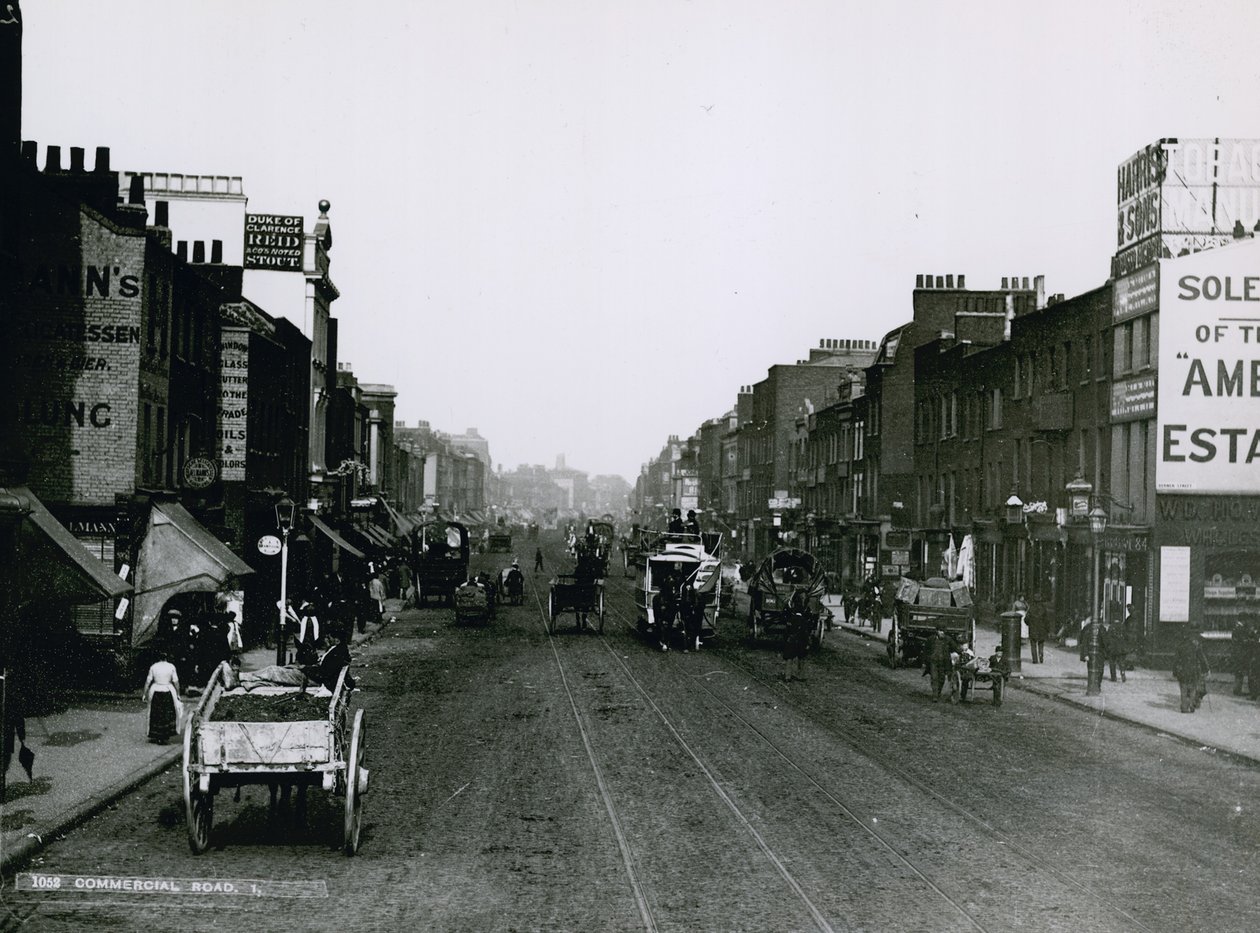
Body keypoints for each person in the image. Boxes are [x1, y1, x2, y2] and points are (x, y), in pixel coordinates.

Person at [142, 651, 182, 744]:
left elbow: (148, 681)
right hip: (167, 691)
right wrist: (178, 693)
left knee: (156, 713)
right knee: (166, 714)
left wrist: (145, 693)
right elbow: (176, 681)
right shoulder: (171, 666)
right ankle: (165, 735)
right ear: (166, 658)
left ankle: (157, 735)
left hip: (156, 691)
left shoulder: (153, 667)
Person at [1172, 627, 1210, 713]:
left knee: (1184, 689)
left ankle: (1184, 707)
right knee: (1193, 688)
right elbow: (1202, 658)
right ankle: (1191, 706)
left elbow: (1176, 660)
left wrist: (1174, 671)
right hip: (1194, 670)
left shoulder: (1181, 645)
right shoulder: (1197, 646)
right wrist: (1206, 669)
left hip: (1183, 670)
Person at [781, 589, 813, 680]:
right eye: (801, 598)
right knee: (792, 655)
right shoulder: (792, 607)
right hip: (794, 632)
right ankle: (789, 675)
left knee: (800, 655)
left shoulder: (802, 608)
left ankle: (795, 675)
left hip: (800, 633)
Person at [925, 627, 959, 703]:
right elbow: (926, 650)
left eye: (943, 631)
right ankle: (935, 695)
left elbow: (955, 648)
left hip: (944, 662)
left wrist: (962, 650)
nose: (942, 632)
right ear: (937, 631)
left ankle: (938, 692)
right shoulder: (931, 639)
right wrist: (927, 659)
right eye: (940, 631)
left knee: (941, 678)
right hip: (933, 661)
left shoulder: (948, 639)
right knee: (934, 678)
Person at [1102, 618, 1128, 683]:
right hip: (1121, 648)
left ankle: (1113, 677)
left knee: (1112, 662)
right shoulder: (1123, 626)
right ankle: (1122, 673)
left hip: (1113, 648)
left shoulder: (1111, 627)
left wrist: (1108, 646)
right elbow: (1126, 636)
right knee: (1122, 662)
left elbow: (1108, 637)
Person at [1026, 598, 1052, 664]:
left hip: (1033, 629)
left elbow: (1026, 619)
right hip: (1041, 629)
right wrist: (1048, 629)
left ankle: (1035, 659)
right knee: (1041, 644)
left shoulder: (1031, 609)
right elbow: (1047, 620)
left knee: (1033, 644)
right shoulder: (1043, 609)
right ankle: (1041, 656)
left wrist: (1030, 624)